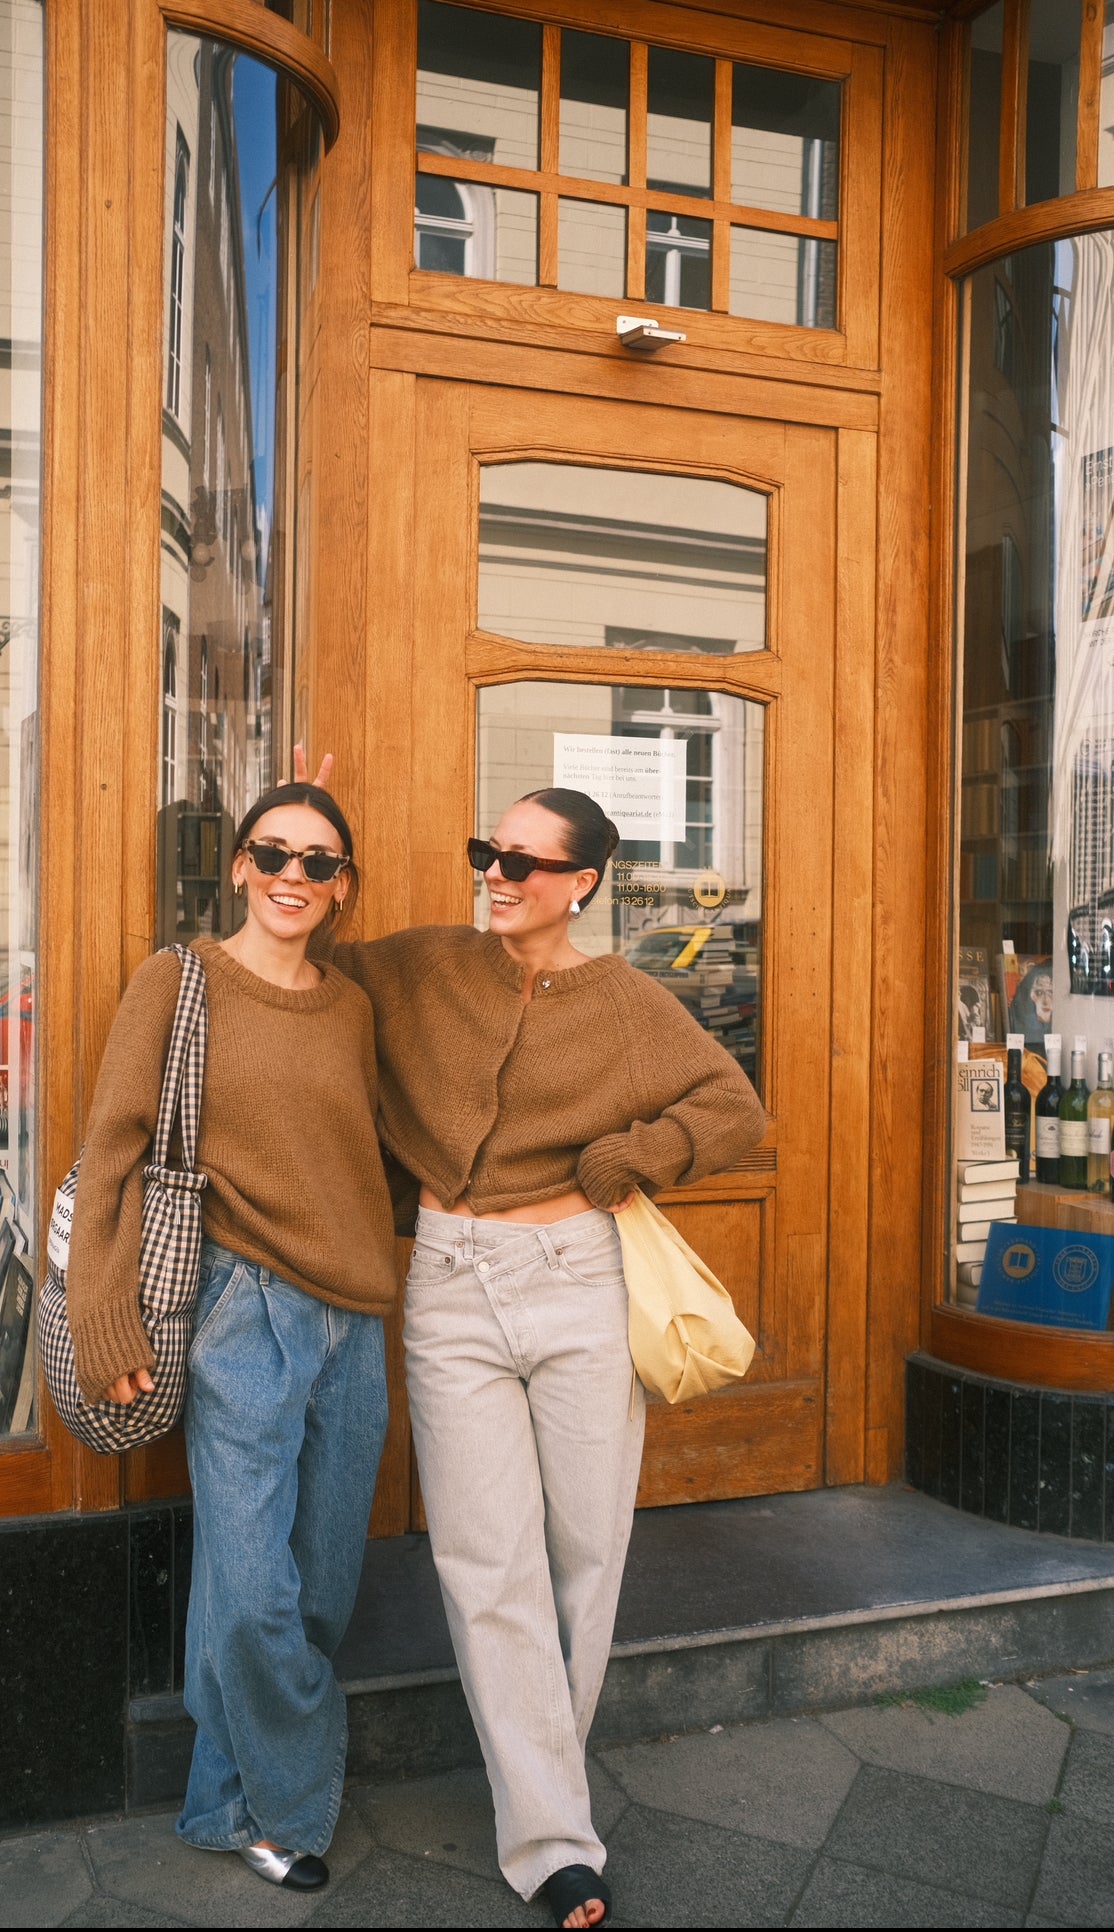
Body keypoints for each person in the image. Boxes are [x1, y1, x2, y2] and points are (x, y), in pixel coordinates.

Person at [302, 756, 766, 1929]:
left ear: (583, 885)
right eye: (486, 855)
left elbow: (730, 1108)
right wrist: (315, 841)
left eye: (522, 863)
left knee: (583, 1551)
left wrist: (641, 1156)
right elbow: (304, 953)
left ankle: (542, 1785)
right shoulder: (424, 964)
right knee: (480, 1560)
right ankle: (554, 1838)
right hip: (452, 1284)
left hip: (578, 1283)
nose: (495, 877)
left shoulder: (625, 1001)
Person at [63, 782, 398, 1893]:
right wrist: (105, 1311)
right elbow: (111, 1144)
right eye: (276, 853)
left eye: (320, 860)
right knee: (252, 1586)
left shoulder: (352, 1007)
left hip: (355, 1319)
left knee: (319, 1588)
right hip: (238, 1311)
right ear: (242, 866)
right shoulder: (181, 980)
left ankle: (220, 1800)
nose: (296, 874)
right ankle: (290, 1811)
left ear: (343, 886)